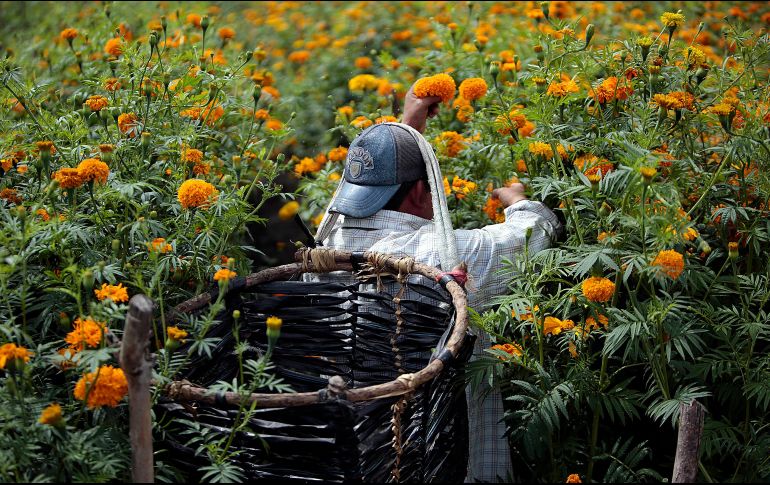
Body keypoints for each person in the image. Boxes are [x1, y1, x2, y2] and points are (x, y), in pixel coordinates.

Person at [312, 82, 563, 482]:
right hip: (437, 449)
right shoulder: (439, 256)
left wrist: (405, 133)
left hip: (357, 441)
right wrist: (516, 199)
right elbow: (535, 233)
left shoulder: (328, 245)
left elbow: (352, 199)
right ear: (417, 191)